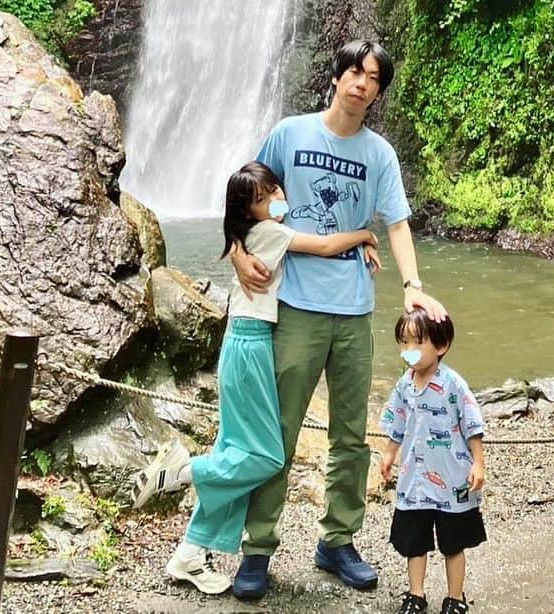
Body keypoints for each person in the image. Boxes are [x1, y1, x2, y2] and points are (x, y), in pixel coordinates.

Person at [229, 38, 448, 601]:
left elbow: (396, 223)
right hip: (295, 305)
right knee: (278, 431)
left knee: (351, 437)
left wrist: (414, 287)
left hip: (353, 308)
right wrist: (237, 252)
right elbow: (243, 195)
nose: (361, 83)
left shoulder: (379, 155)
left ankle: (338, 540)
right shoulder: (290, 133)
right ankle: (257, 549)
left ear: (377, 92)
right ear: (336, 76)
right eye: (354, 71)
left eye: (372, 78)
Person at [130, 161, 381, 594]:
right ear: (249, 211)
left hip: (245, 339)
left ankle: (189, 555)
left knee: (234, 449)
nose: (275, 200)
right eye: (263, 199)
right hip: (250, 343)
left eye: (274, 191)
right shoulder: (268, 233)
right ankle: (182, 469)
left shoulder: (246, 235)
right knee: (265, 456)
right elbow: (323, 246)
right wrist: (364, 235)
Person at [379, 310, 486, 614]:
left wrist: (478, 463)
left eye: (416, 342)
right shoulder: (404, 385)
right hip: (414, 479)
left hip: (452, 480)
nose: (408, 350)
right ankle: (416, 594)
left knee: (453, 543)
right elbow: (396, 423)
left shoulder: (453, 385)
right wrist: (389, 454)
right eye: (403, 342)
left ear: (441, 346)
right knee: (415, 541)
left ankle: (455, 597)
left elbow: (473, 426)